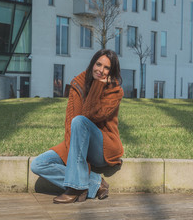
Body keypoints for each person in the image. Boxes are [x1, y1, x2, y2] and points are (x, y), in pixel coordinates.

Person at [31, 49, 124, 204]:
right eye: (98, 64)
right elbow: (70, 124)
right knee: (38, 164)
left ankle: (76, 188)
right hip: (78, 141)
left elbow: (91, 115)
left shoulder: (115, 91)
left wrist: (97, 87)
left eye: (106, 68)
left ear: (111, 71)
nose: (100, 70)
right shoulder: (78, 84)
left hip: (102, 146)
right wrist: (75, 160)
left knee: (80, 121)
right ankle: (94, 183)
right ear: (92, 63)